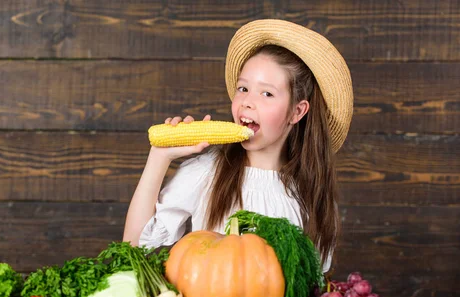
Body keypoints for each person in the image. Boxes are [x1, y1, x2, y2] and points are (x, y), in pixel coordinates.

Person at [123, 19, 353, 273]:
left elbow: (314, 284)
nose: (247, 102)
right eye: (243, 88)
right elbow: (133, 246)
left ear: (297, 112)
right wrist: (160, 156)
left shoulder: (311, 190)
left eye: (266, 94)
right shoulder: (207, 171)